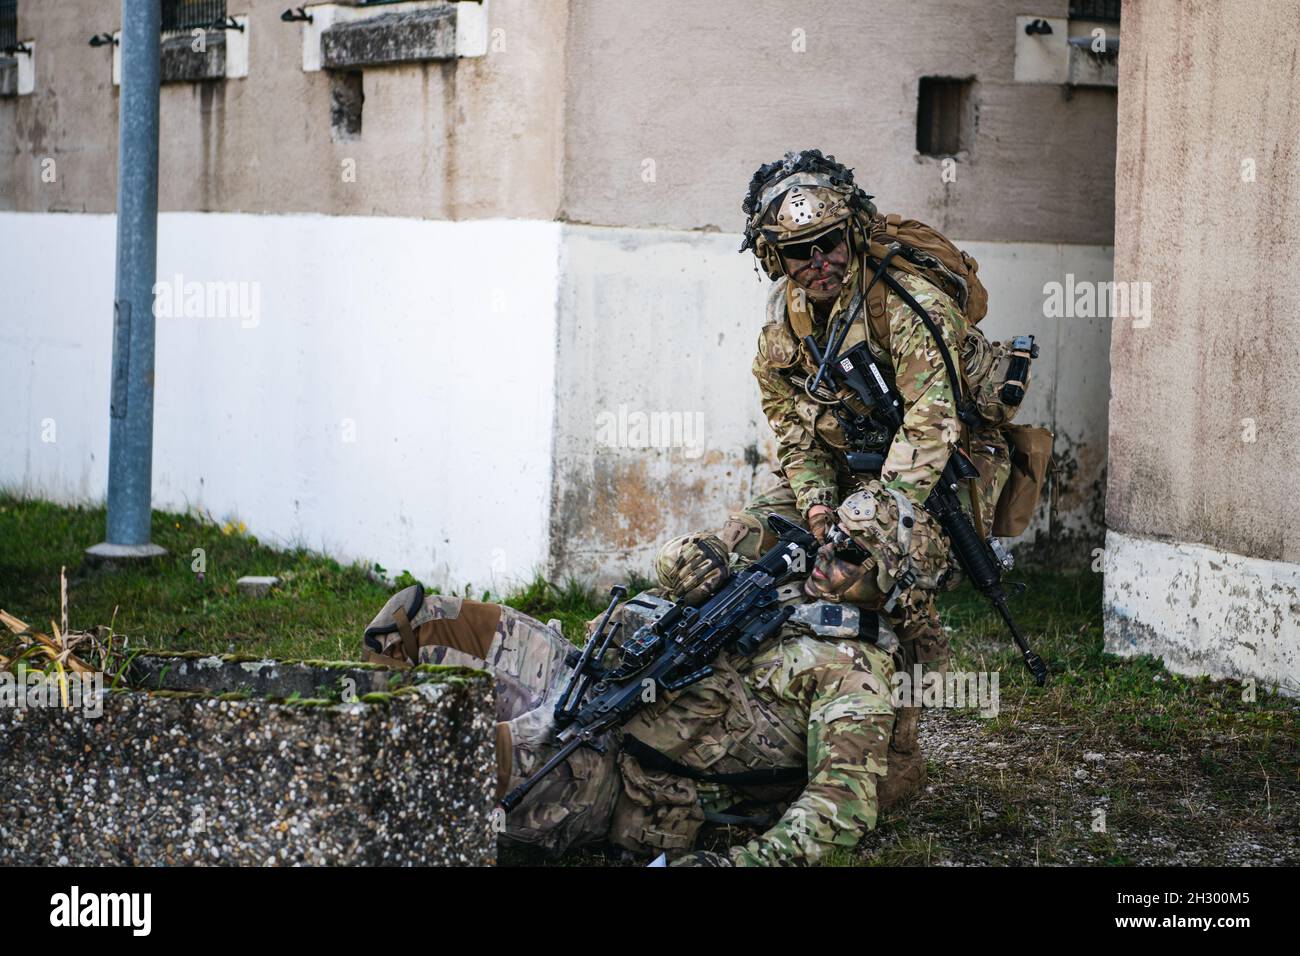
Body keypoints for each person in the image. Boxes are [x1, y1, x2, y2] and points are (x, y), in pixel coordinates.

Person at [675, 148, 1022, 804]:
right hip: (841, 474)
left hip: (936, 478)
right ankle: (757, 716)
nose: (820, 262)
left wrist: (868, 515)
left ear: (853, 234)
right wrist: (812, 509)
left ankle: (894, 750)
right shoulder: (784, 328)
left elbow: (932, 426)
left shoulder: (908, 305)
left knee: (864, 559)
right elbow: (796, 439)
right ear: (776, 259)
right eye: (800, 252)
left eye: (830, 243)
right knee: (712, 556)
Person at [362, 492, 947, 866]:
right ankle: (375, 730)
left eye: (851, 554)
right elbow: (681, 565)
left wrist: (734, 863)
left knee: (438, 758)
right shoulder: (788, 572)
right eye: (834, 535)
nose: (828, 554)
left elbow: (840, 810)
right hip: (585, 672)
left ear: (892, 586)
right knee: (418, 620)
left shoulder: (857, 678)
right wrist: (692, 561)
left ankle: (337, 799)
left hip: (614, 769)